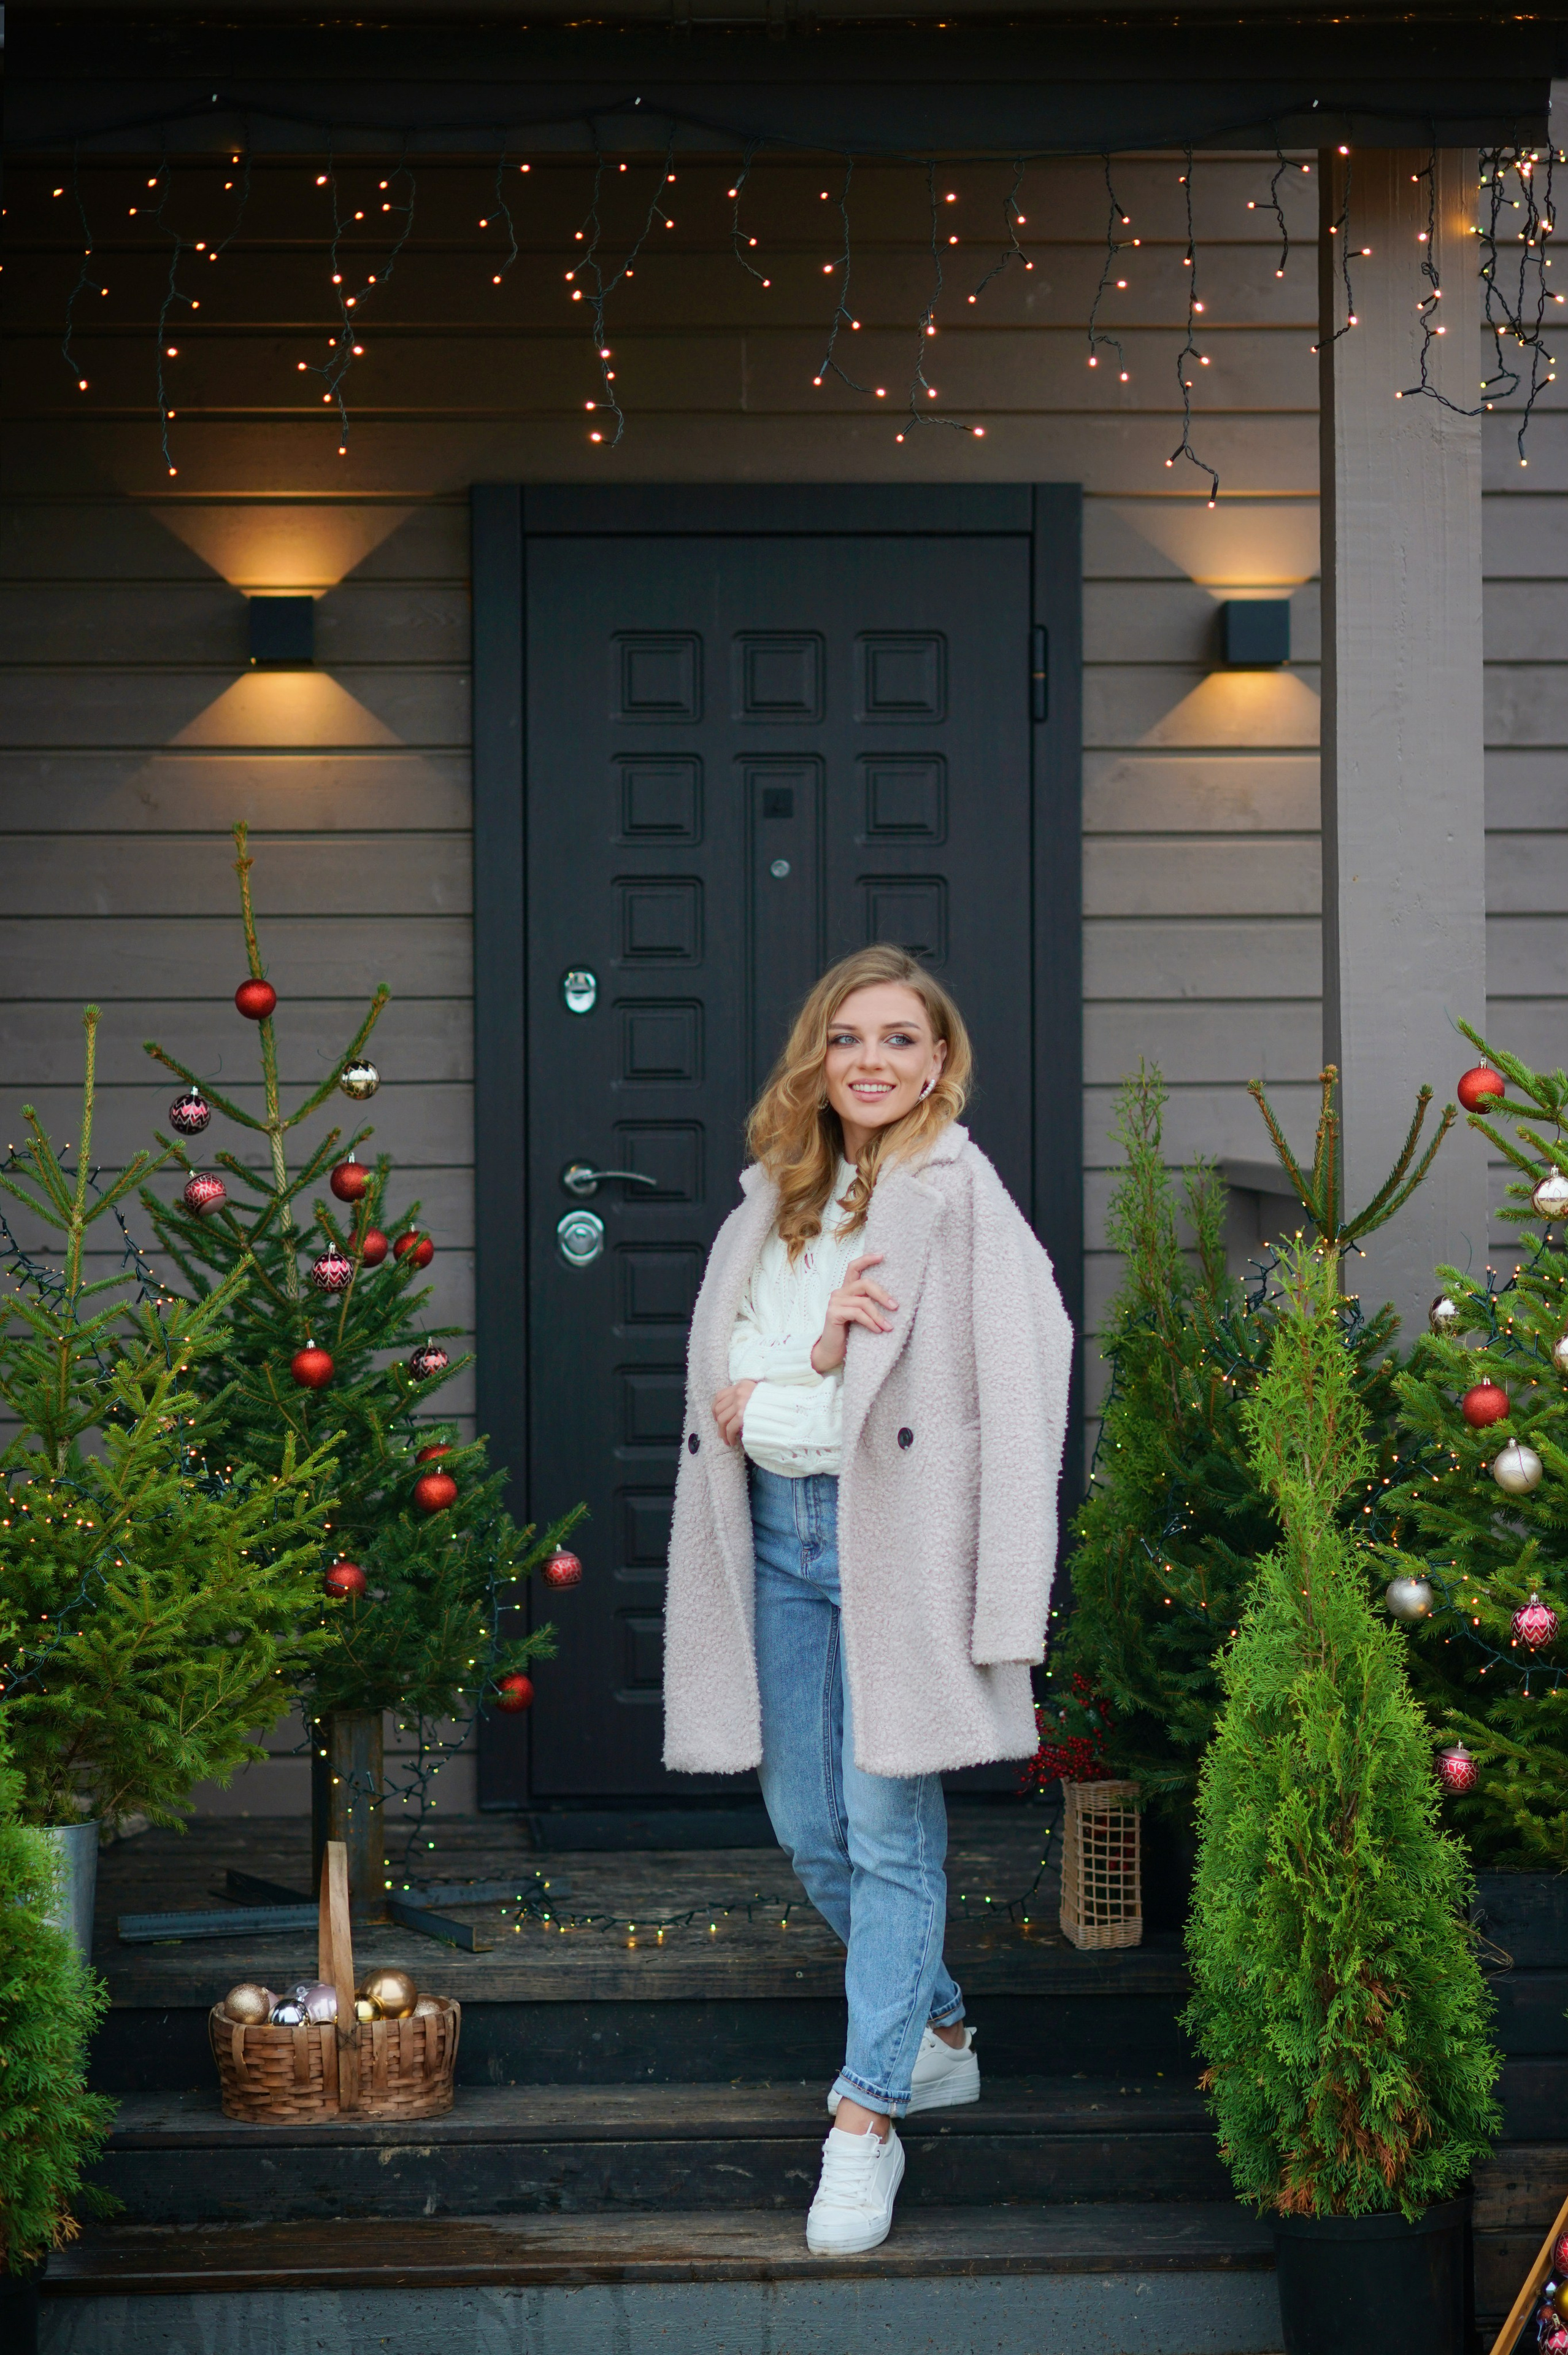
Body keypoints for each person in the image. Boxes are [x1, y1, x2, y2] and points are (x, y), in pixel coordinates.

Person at [663, 944, 1073, 2256]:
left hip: (893, 1544)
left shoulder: (956, 1196)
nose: (873, 1061)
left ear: (939, 1060)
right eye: (848, 1039)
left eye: (901, 1038)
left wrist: (1006, 1600)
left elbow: (1028, 1380)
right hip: (777, 1533)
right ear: (818, 1060)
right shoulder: (776, 1197)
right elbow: (727, 1380)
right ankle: (938, 2022)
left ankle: (865, 2115)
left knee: (890, 1828)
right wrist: (813, 1353)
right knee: (805, 1817)